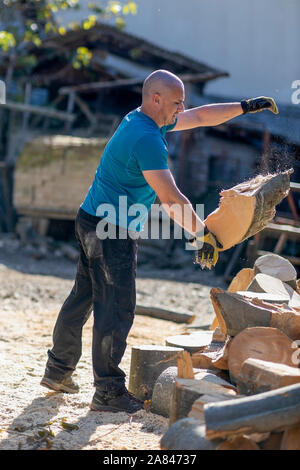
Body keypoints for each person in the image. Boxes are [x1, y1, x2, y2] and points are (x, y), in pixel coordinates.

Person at [40, 70, 278, 413]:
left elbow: (200, 116)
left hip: (92, 218)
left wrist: (243, 107)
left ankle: (57, 370)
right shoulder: (147, 138)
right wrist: (203, 235)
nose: (183, 107)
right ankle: (107, 390)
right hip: (112, 229)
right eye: (177, 101)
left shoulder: (146, 120)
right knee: (116, 308)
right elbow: (171, 198)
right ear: (156, 99)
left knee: (85, 296)